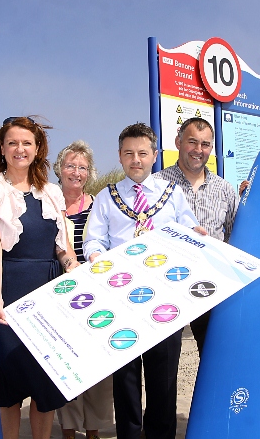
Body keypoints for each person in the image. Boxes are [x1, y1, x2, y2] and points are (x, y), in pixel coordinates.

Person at [83, 122, 206, 439]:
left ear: (154, 155)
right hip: (120, 297)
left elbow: (189, 230)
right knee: (124, 378)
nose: (135, 159)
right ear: (120, 157)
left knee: (163, 377)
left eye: (142, 153)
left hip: (166, 296)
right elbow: (94, 241)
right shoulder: (106, 199)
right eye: (128, 153)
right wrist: (97, 257)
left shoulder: (173, 193)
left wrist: (196, 236)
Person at [0, 116, 80, 439]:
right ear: (2, 148)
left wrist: (72, 265)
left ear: (37, 149)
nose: (20, 149)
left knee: (47, 382)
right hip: (8, 289)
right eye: (13, 143)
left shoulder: (53, 192)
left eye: (27, 143)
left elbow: (63, 247)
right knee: (10, 381)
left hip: (50, 290)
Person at [154, 117, 239, 356]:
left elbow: (233, 237)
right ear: (178, 142)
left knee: (215, 358)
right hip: (167, 285)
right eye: (192, 142)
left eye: (205, 144)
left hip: (211, 287)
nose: (198, 150)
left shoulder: (224, 189)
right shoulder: (157, 184)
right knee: (164, 364)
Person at [53, 141, 114, 439]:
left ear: (89, 173)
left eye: (82, 167)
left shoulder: (100, 204)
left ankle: (93, 431)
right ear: (59, 169)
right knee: (65, 363)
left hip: (97, 295)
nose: (76, 172)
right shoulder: (47, 202)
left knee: (98, 366)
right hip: (59, 296)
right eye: (70, 165)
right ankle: (68, 429)